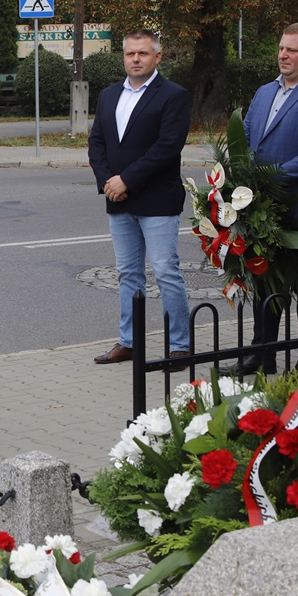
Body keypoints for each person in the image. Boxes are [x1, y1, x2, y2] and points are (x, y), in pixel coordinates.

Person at [224, 22, 298, 377]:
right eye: (281, 48)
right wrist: (241, 180)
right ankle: (262, 354)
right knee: (264, 281)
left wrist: (271, 178)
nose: (283, 55)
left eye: (292, 50)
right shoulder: (264, 92)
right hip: (260, 206)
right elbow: (243, 140)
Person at [88, 28, 192, 369]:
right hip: (118, 200)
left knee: (165, 271)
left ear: (157, 57)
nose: (135, 59)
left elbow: (167, 147)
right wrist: (107, 182)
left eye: (143, 53)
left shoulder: (173, 95)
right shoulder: (108, 95)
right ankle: (129, 343)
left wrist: (126, 180)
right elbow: (97, 143)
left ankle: (179, 346)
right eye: (130, 53)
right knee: (127, 274)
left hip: (157, 199)